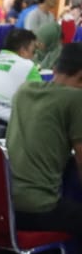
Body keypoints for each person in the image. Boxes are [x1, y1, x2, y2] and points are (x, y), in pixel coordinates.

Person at [6, 43, 82, 234]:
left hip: (4, 206)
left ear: (55, 68)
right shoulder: (75, 99)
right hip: (39, 209)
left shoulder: (24, 90)